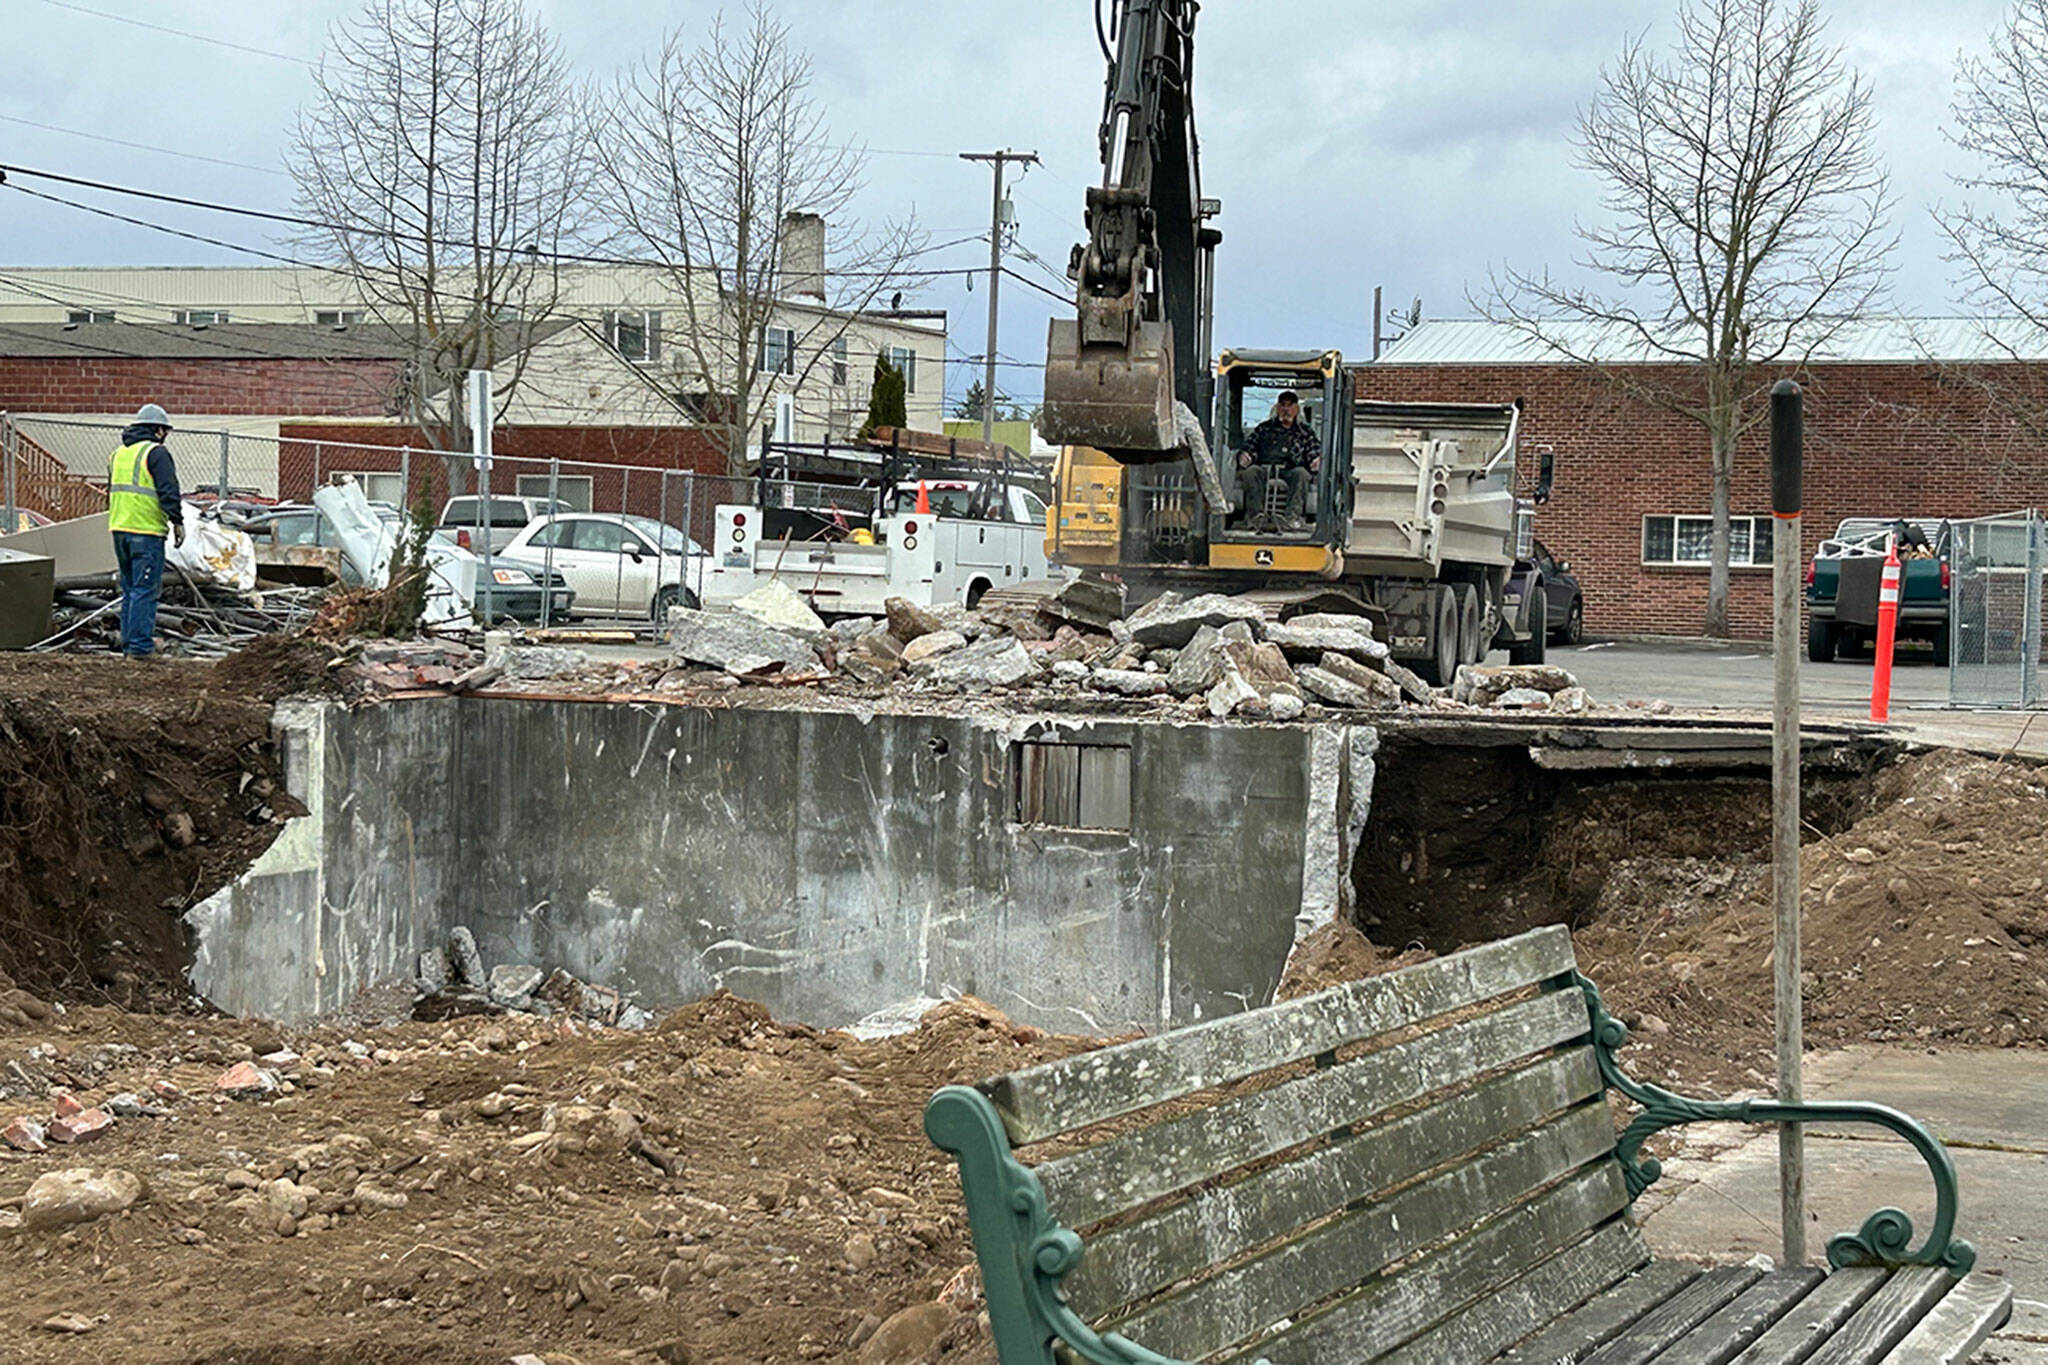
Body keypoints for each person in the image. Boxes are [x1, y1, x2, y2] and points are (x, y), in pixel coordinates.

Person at [106, 403, 184, 659]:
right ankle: (140, 647)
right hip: (146, 531)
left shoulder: (117, 454)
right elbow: (168, 490)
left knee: (130, 589)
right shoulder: (156, 453)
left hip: (119, 529)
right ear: (158, 430)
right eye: (165, 431)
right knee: (145, 590)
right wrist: (177, 521)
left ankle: (130, 643)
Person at [1237, 390, 1319, 531]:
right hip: (1265, 468)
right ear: (1277, 407)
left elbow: (1313, 451)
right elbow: (1249, 447)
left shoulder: (1305, 432)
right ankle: (1255, 518)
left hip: (1290, 469)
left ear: (1296, 408)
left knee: (1302, 474)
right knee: (1251, 472)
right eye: (1283, 405)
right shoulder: (1263, 428)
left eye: (1290, 405)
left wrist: (1316, 460)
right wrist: (1245, 455)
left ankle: (1292, 518)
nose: (1286, 409)